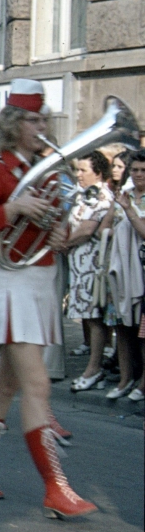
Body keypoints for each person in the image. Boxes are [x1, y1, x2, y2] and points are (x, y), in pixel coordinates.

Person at [0, 78, 96, 519]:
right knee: (36, 384)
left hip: (36, 283)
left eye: (43, 119)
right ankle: (56, 487)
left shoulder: (47, 172)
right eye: (33, 120)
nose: (42, 126)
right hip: (9, 285)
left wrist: (59, 234)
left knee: (6, 385)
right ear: (14, 124)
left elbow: (54, 229)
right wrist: (13, 210)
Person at [63, 152, 115, 393]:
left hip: (92, 264)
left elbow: (86, 229)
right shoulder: (85, 193)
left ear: (99, 173)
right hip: (80, 262)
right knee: (89, 316)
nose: (78, 174)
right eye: (78, 170)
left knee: (94, 317)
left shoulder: (100, 196)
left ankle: (94, 369)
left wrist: (61, 244)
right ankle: (97, 365)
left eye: (84, 170)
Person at [111, 151, 145, 401]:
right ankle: (125, 378)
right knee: (121, 326)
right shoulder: (123, 195)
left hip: (142, 271)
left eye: (143, 170)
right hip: (121, 268)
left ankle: (142, 382)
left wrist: (129, 210)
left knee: (143, 331)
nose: (138, 175)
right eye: (134, 170)